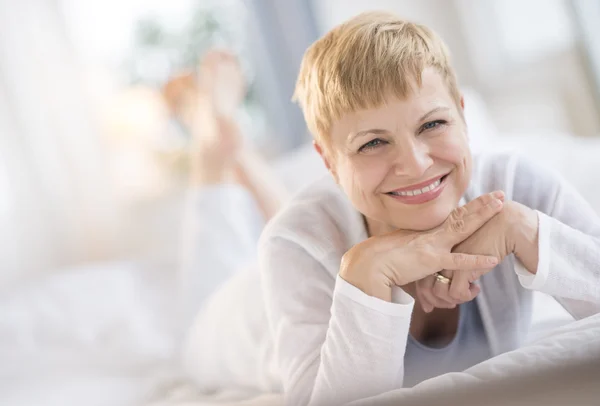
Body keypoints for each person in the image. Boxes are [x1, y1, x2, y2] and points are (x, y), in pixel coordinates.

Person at [254, 11, 600, 405]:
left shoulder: (515, 186)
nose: (416, 165)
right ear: (330, 162)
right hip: (248, 324)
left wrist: (526, 230)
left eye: (432, 124)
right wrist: (364, 276)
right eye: (372, 143)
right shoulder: (293, 246)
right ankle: (233, 159)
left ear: (463, 117)